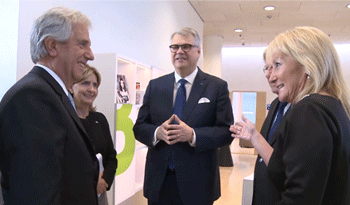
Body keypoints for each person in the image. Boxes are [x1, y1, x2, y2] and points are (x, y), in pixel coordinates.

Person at [230, 26, 350, 204]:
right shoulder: (334, 106)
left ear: (308, 64)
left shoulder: (309, 109)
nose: (271, 76)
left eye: (277, 65)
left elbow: (299, 197)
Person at [0, 7, 99, 204]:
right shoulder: (32, 97)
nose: (91, 55)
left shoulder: (51, 94)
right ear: (52, 45)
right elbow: (37, 195)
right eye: (82, 44)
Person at [133, 27, 234, 205]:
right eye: (175, 47)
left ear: (198, 51)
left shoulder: (216, 87)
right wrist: (157, 132)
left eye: (186, 46)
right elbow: (139, 127)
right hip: (159, 183)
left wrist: (193, 135)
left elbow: (226, 132)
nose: (179, 51)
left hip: (198, 184)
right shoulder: (156, 86)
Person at [71, 64, 117, 205]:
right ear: (72, 86)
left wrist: (104, 182)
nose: (92, 89)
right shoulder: (65, 120)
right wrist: (91, 184)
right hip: (73, 195)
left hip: (99, 195)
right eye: (85, 83)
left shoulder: (99, 119)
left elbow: (111, 157)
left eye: (95, 85)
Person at [252, 51, 291, 204]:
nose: (269, 75)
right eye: (267, 68)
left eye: (276, 66)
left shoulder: (305, 111)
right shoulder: (276, 104)